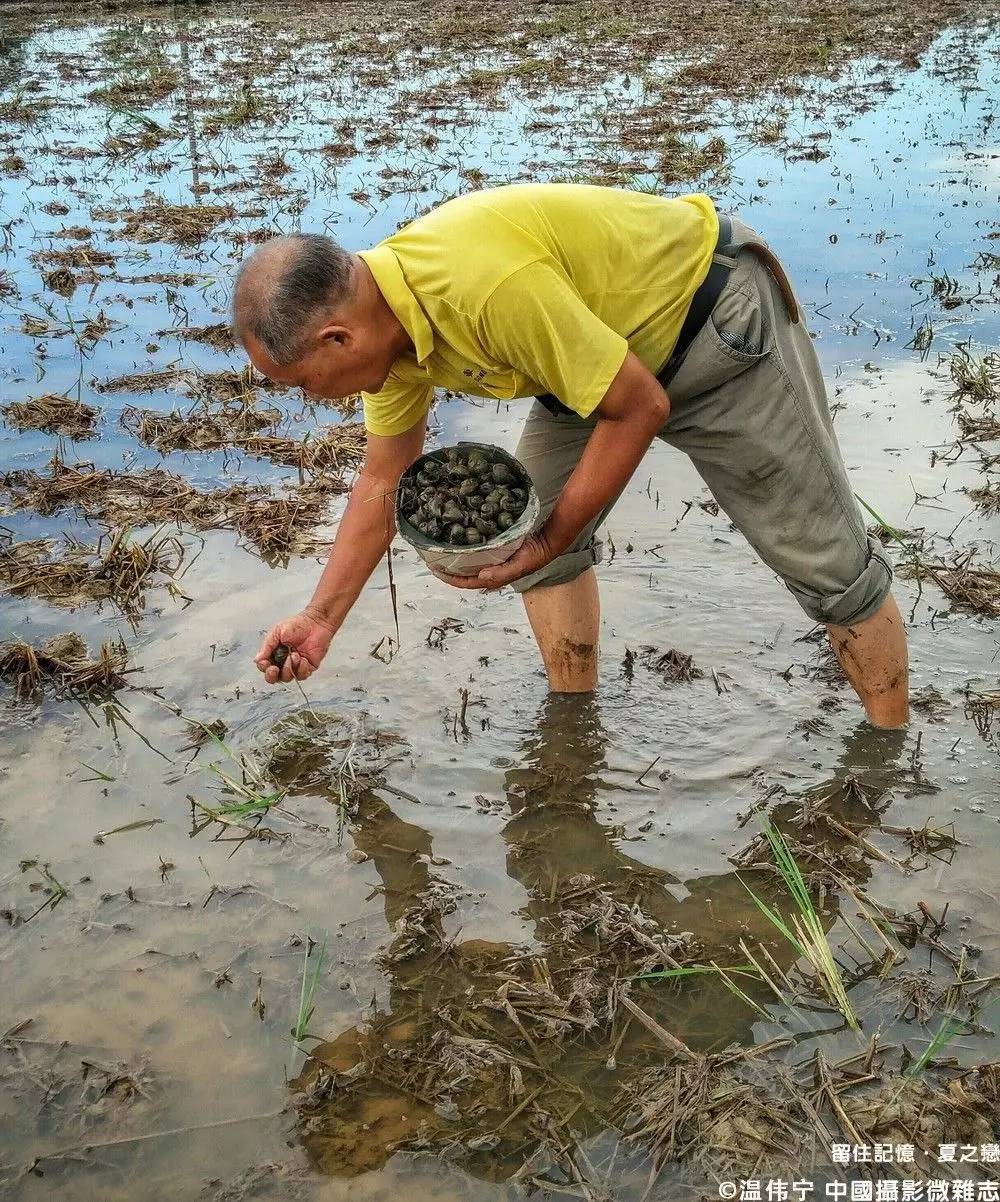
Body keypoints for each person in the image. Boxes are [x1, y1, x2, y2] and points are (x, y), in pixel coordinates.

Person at [232, 183, 909, 728]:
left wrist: (555, 537)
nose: (311, 400)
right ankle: (574, 731)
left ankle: (889, 757)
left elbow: (639, 407)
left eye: (302, 384)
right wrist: (320, 621)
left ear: (338, 340)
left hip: (714, 326)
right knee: (522, 539)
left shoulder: (485, 288)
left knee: (830, 568)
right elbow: (384, 478)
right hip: (602, 362)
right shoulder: (391, 341)